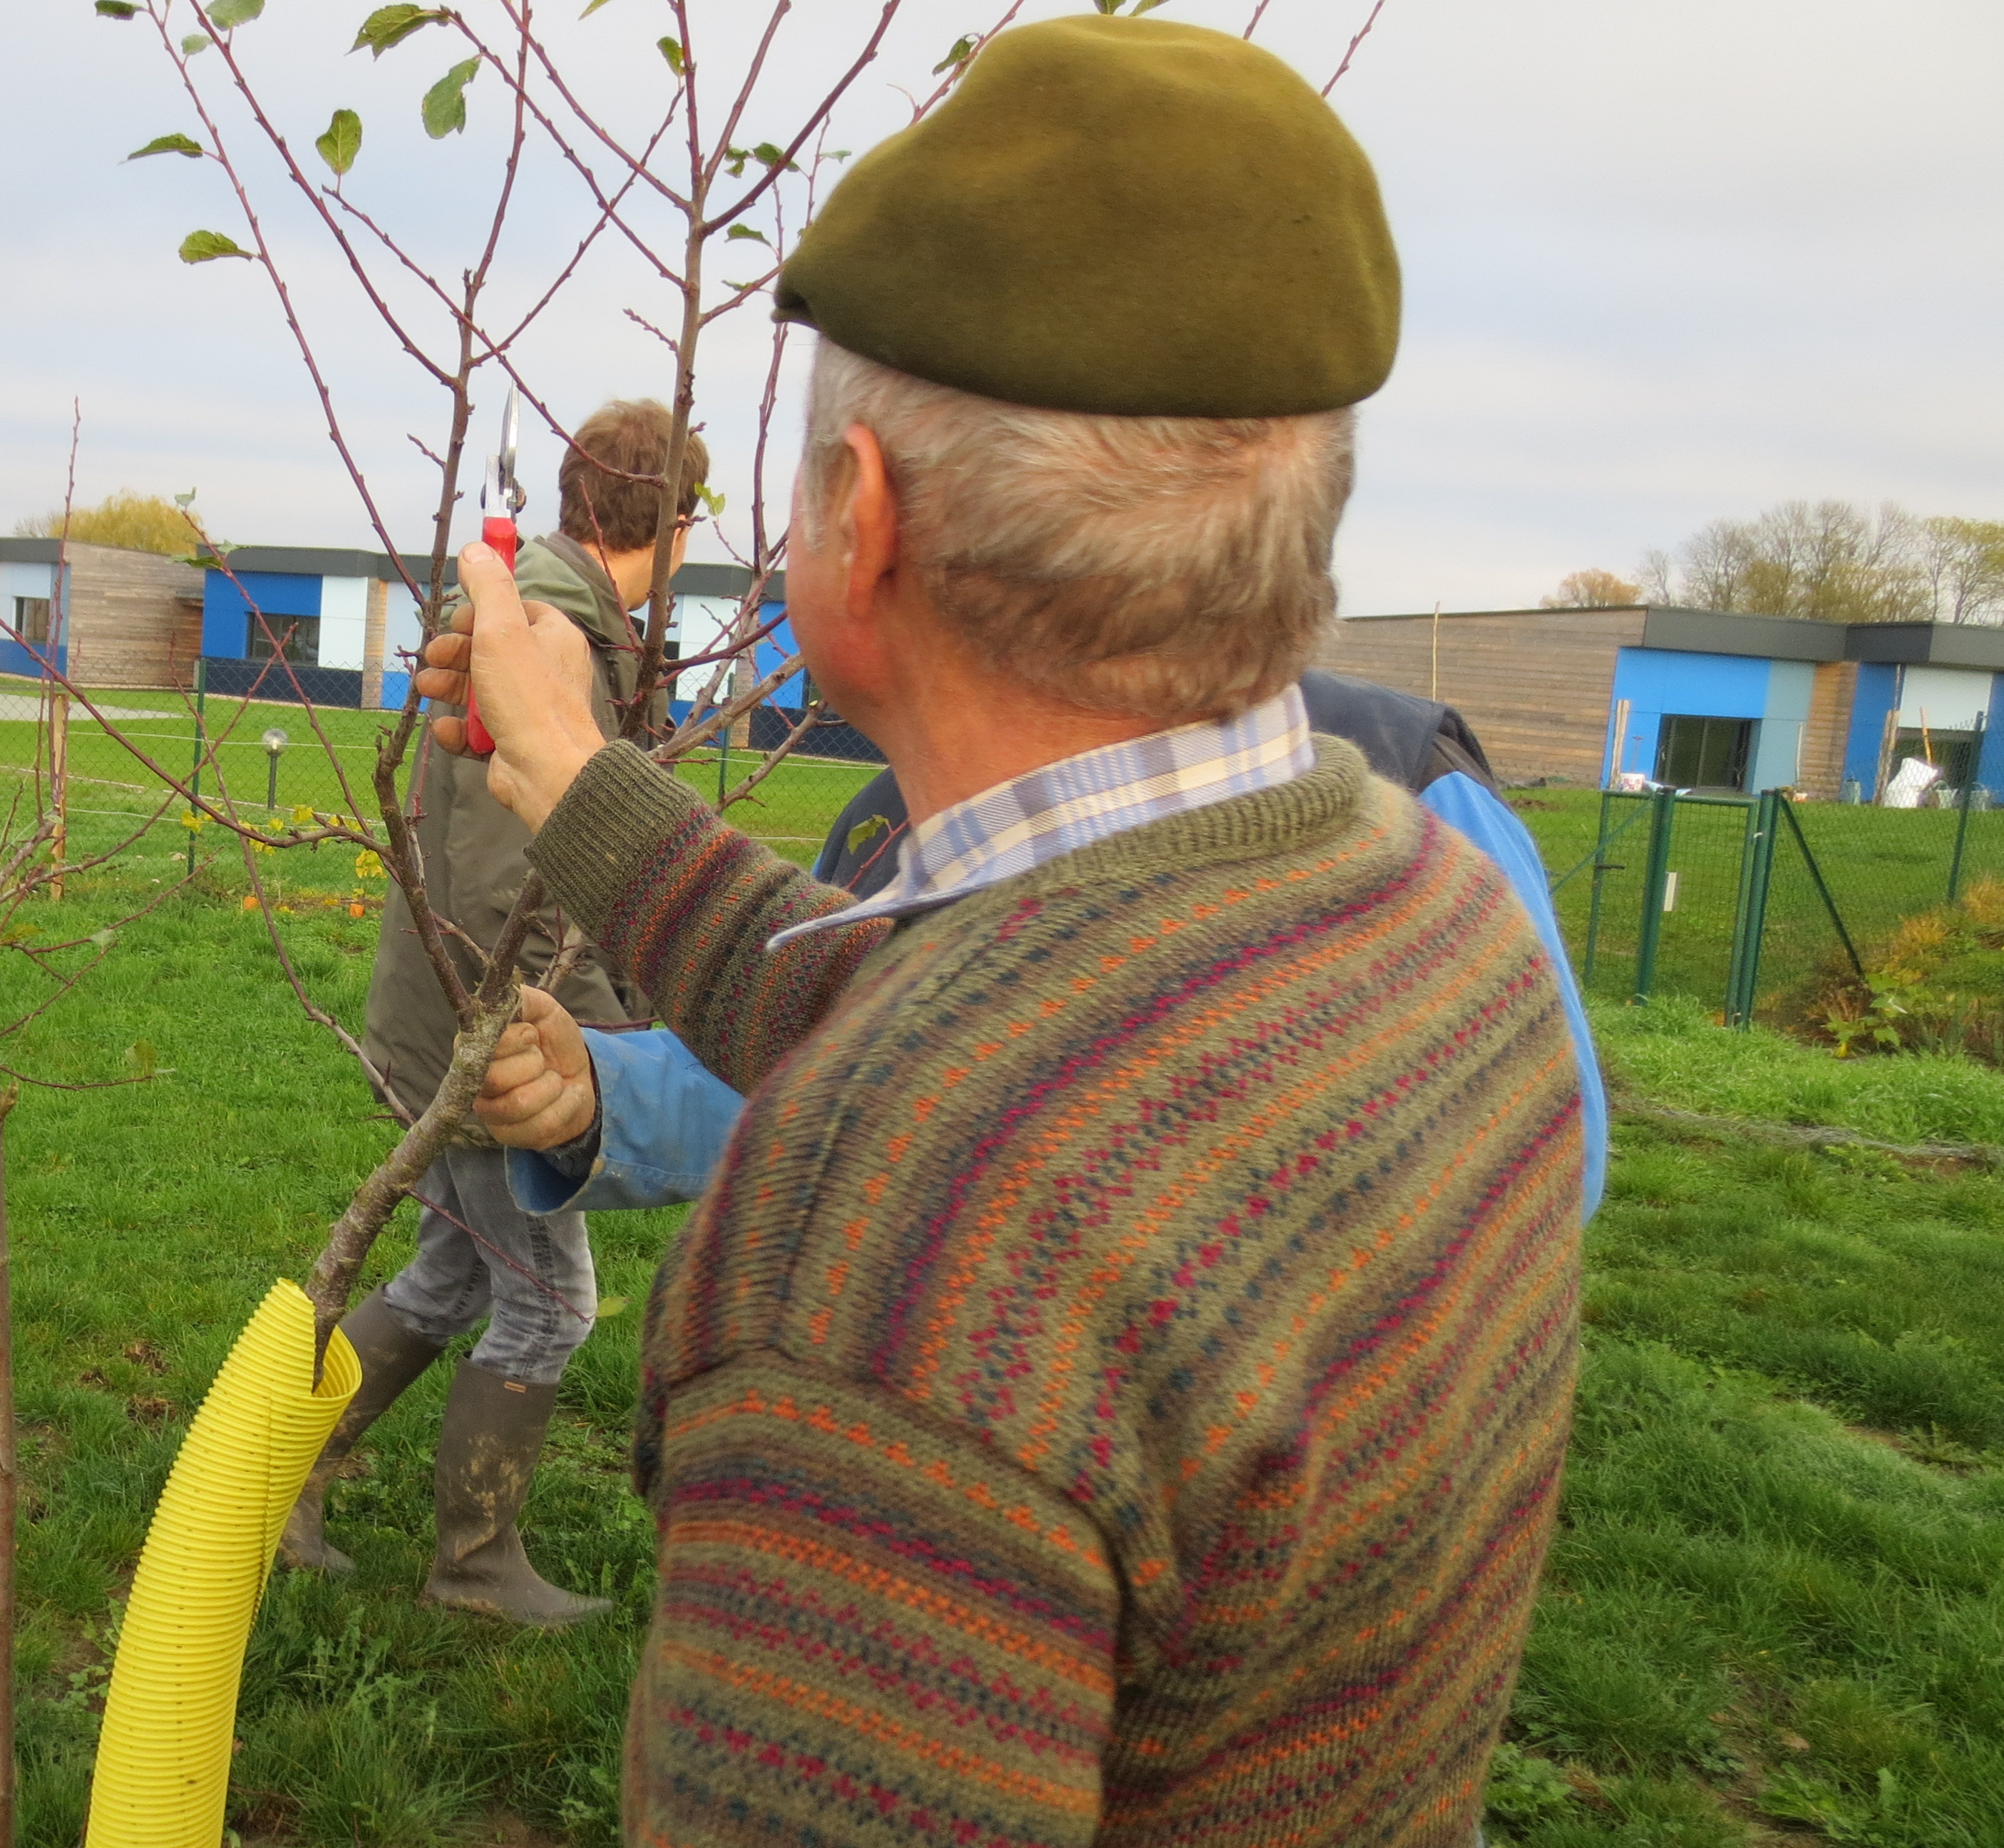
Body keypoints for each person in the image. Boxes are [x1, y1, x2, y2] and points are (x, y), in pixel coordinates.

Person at [414, 17, 1587, 1842]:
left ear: (859, 525)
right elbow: (954, 1005)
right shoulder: (1423, 896)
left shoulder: (898, 1266)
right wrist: (572, 770)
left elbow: (962, 1090)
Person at [481, 672, 1610, 1227]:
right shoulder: (902, 809)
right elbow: (859, 1050)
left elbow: (1546, 1149)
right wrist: (605, 1093)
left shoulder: (1402, 770)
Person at [279, 399, 708, 1628]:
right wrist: (598, 1053)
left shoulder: (565, 623)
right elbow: (501, 892)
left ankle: (285, 1474)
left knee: (452, 1276)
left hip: (457, 1027)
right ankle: (472, 1568)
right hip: (485, 1042)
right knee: (551, 1302)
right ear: (671, 523)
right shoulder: (545, 632)